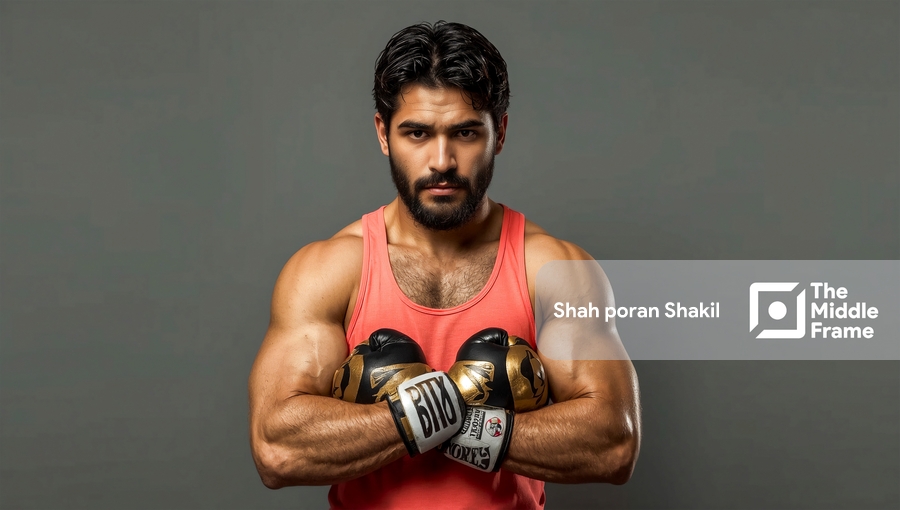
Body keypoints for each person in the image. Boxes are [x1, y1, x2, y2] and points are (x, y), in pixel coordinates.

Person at [248, 20, 641, 509]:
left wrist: (446, 418)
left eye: (465, 132)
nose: (442, 161)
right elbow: (277, 448)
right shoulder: (329, 271)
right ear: (383, 134)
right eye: (417, 133)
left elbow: (613, 442)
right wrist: (432, 412)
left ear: (499, 134)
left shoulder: (552, 268)